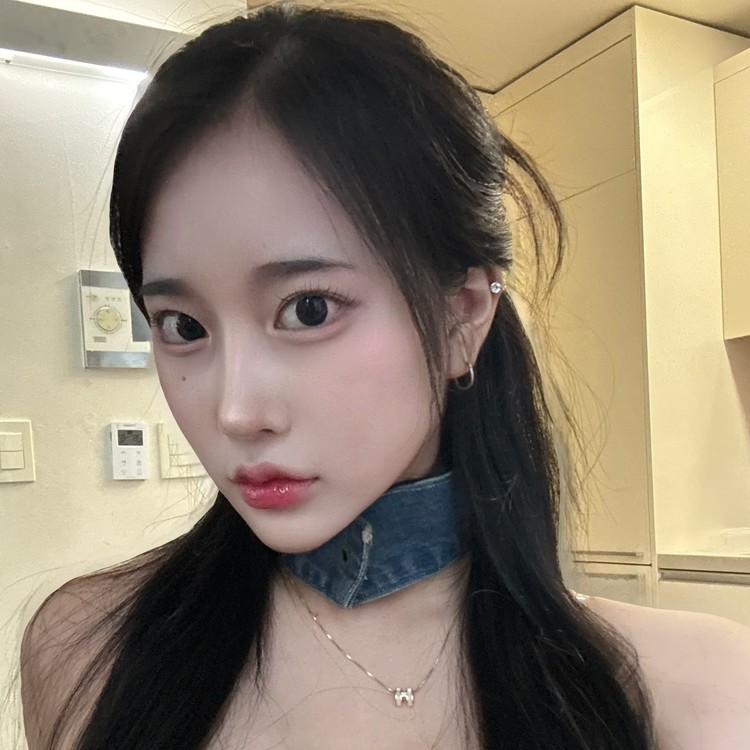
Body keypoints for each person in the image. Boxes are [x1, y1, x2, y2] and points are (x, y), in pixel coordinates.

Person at [18, 4, 750, 749]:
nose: (235, 410)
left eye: (308, 309)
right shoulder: (83, 648)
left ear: (463, 316)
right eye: (183, 325)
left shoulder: (698, 693)